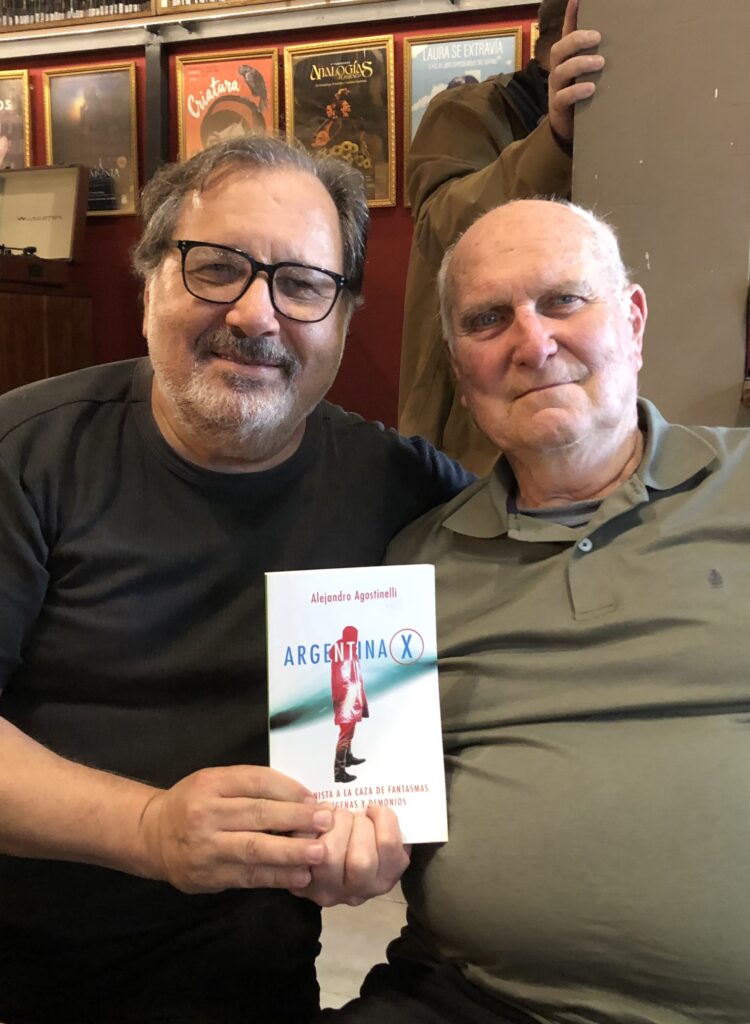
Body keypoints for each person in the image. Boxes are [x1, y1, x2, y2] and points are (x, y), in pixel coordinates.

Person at [0, 135, 473, 1024]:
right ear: (148, 284)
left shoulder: (404, 489)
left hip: (257, 989)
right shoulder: (26, 456)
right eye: (216, 268)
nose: (257, 315)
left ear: (344, 316)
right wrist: (148, 830)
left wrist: (384, 828)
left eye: (302, 284)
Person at [326, 199, 750, 1022]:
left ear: (632, 321)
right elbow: (360, 791)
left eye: (563, 300)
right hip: (473, 1000)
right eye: (488, 320)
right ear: (460, 370)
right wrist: (348, 848)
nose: (533, 342)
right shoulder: (407, 570)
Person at [399, 0, 605, 474]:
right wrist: (555, 140)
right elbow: (442, 225)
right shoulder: (468, 112)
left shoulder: (624, 121)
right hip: (479, 424)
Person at [331, 624, 369, 783]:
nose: (356, 640)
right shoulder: (344, 652)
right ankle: (339, 772)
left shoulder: (348, 651)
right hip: (347, 701)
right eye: (354, 637)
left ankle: (348, 758)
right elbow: (344, 678)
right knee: (345, 735)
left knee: (349, 731)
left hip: (350, 699)